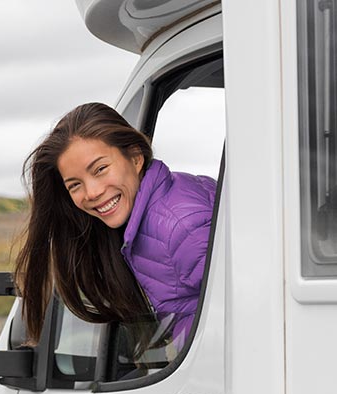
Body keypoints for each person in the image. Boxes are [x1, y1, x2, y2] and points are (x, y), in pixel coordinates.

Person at [14, 102, 216, 353]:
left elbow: (248, 320)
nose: (93, 192)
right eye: (75, 185)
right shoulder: (149, 216)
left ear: (135, 157)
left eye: (100, 169)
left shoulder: (181, 228)